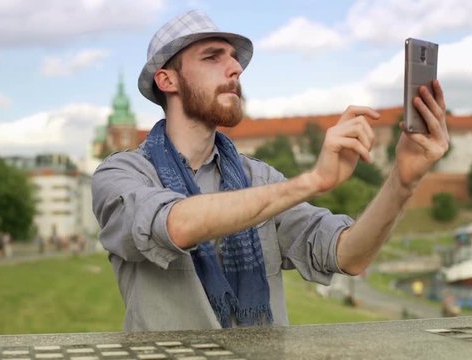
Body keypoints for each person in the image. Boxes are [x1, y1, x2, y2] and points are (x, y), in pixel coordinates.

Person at [92, 10, 449, 331]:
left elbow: (349, 255)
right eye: (213, 57)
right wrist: (313, 181)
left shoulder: (260, 179)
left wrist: (403, 180)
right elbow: (176, 224)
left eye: (234, 59)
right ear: (167, 80)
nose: (235, 68)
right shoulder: (123, 174)